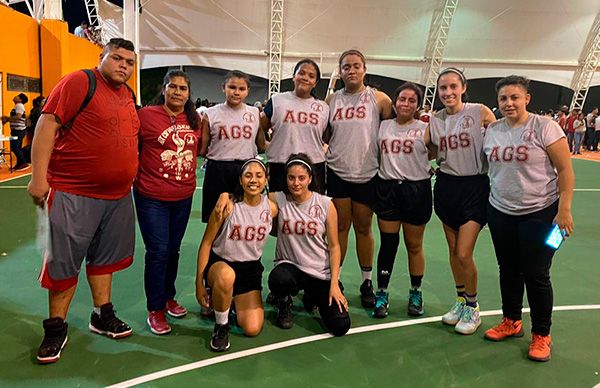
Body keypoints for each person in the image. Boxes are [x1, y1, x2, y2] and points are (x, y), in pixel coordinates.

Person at [27, 38, 139, 364]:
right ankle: (55, 327)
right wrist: (38, 177)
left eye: (129, 62)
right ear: (101, 57)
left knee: (105, 260)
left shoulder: (128, 95)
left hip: (117, 196)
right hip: (74, 192)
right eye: (117, 58)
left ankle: (101, 315)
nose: (123, 66)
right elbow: (47, 124)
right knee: (64, 262)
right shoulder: (80, 81)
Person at [482, 75, 574, 362]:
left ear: (527, 99)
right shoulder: (493, 130)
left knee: (537, 274)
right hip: (501, 211)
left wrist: (565, 209)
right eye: (503, 99)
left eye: (514, 97)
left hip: (542, 213)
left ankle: (542, 334)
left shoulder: (545, 127)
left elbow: (566, 171)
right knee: (508, 269)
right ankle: (512, 321)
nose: (509, 103)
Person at [427, 67, 495, 335]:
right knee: (453, 250)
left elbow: (499, 139)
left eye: (453, 86)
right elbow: (428, 150)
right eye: (443, 88)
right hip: (445, 186)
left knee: (465, 252)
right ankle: (459, 301)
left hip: (474, 186)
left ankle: (473, 307)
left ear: (463, 88)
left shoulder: (480, 112)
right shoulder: (435, 119)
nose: (448, 92)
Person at [134, 70, 201, 335]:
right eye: (172, 87)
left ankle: (168, 297)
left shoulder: (195, 120)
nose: (177, 92)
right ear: (164, 89)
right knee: (158, 251)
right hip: (151, 197)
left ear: (188, 93)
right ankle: (155, 308)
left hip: (183, 196)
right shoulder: (146, 116)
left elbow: (202, 150)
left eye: (182, 88)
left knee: (173, 250)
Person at [325, 49, 393, 307]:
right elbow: (325, 134)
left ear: (364, 69)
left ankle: (366, 281)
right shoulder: (332, 101)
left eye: (356, 66)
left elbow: (394, 131)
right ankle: (336, 278)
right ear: (340, 72)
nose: (351, 71)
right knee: (340, 227)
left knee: (364, 227)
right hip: (338, 172)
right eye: (346, 67)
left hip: (367, 174)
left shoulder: (380, 100)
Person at [195, 158, 277, 352]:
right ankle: (221, 326)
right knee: (226, 276)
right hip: (221, 264)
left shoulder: (272, 208)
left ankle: (228, 300)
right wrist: (199, 282)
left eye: (259, 176)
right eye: (248, 175)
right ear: (240, 180)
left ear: (266, 180)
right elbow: (206, 243)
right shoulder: (227, 206)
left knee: (252, 328)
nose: (253, 180)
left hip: (250, 270)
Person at [268, 153, 350, 335]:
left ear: (310, 179)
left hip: (319, 271)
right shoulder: (277, 199)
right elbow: (249, 201)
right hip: (290, 267)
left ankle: (312, 296)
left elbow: (334, 246)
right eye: (291, 178)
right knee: (278, 280)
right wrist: (226, 197)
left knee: (340, 325)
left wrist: (334, 284)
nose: (296, 183)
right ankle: (284, 301)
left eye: (301, 178)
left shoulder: (325, 204)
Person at [372, 83, 433, 318]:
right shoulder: (383, 126)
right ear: (394, 102)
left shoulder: (425, 128)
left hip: (416, 189)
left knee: (414, 245)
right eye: (402, 99)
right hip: (387, 188)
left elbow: (436, 151)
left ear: (418, 105)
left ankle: (416, 292)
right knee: (388, 244)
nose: (405, 104)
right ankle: (382, 292)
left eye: (411, 100)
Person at [199, 70, 265, 223]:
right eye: (232, 87)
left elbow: (261, 145)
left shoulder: (255, 113)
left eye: (241, 89)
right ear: (223, 88)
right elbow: (203, 148)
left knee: (243, 219)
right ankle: (214, 248)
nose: (236, 92)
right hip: (217, 170)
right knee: (216, 218)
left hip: (245, 169)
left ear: (248, 91)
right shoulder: (210, 114)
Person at [261, 59, 329, 192]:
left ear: (315, 83)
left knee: (312, 210)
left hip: (313, 165)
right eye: (301, 73)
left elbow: (327, 137)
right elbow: (259, 128)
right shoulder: (277, 101)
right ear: (294, 77)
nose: (305, 78)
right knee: (280, 210)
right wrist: (265, 146)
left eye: (311, 76)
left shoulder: (324, 107)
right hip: (281, 164)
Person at [3, 93, 30, 171]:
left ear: (20, 99)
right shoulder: (17, 106)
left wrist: (7, 119)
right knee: (18, 147)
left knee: (14, 147)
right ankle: (19, 164)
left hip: (18, 130)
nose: (15, 97)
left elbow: (18, 117)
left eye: (17, 96)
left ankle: (23, 163)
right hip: (17, 130)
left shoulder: (19, 105)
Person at [23, 95, 46, 163]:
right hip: (37, 130)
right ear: (39, 102)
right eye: (43, 101)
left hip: (33, 129)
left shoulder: (34, 109)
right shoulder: (38, 110)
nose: (45, 102)